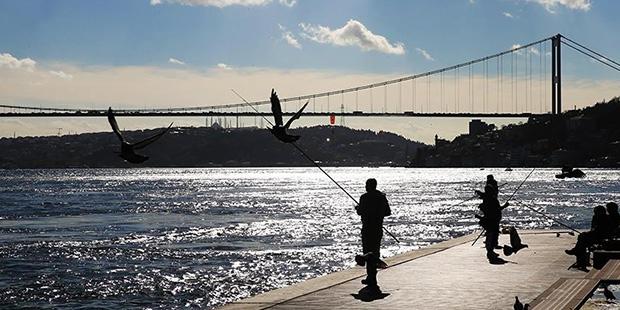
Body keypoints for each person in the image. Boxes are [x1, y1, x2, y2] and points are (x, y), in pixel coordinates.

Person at [355, 178, 391, 290]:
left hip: (367, 228)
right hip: (377, 228)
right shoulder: (381, 197)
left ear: (368, 186)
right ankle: (372, 277)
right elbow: (388, 212)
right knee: (375, 252)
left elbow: (360, 212)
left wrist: (358, 209)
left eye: (366, 185)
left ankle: (371, 277)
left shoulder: (364, 197)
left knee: (367, 252)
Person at [475, 175, 508, 263]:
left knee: (490, 235)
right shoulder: (493, 200)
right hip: (493, 221)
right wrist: (505, 206)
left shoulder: (487, 199)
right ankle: (490, 251)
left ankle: (491, 251)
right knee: (493, 235)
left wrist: (479, 194)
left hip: (489, 220)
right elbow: (497, 209)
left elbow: (484, 197)